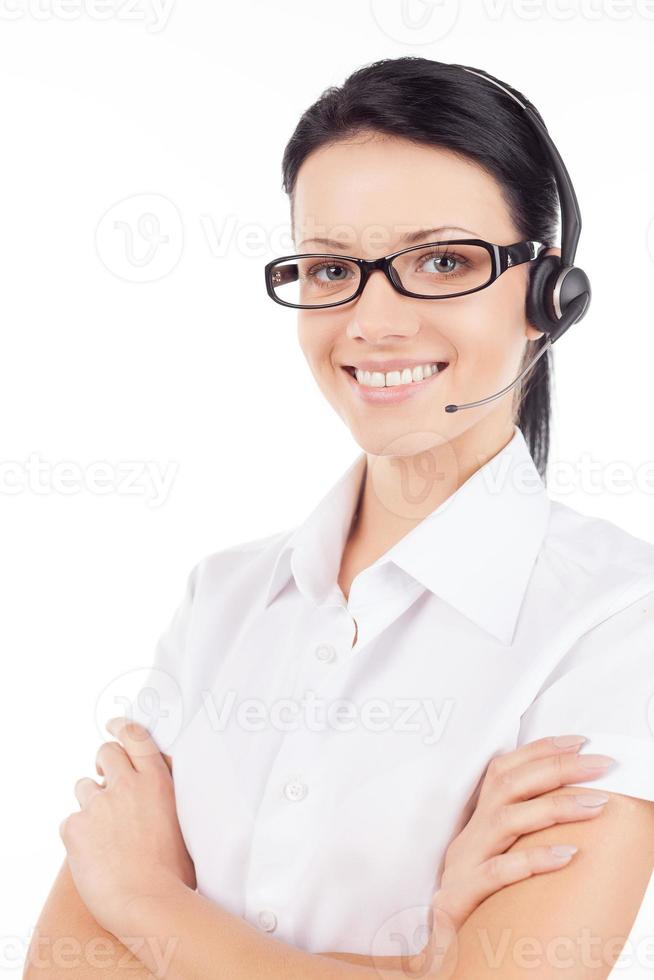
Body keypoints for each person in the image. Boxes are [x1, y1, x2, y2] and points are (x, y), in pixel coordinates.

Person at [28, 58, 654, 979]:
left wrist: (149, 902)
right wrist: (414, 969)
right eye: (330, 269)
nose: (373, 320)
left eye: (442, 261)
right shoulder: (224, 598)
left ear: (547, 298)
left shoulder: (617, 619)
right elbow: (61, 965)